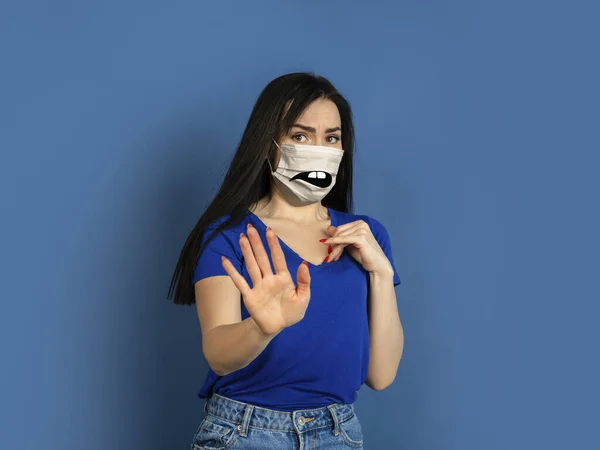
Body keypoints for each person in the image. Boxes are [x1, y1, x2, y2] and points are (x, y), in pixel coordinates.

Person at [168, 72, 404, 449]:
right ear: (268, 143)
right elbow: (218, 355)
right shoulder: (229, 236)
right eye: (300, 135)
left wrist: (381, 273)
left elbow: (382, 375)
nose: (319, 149)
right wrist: (261, 328)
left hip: (337, 434)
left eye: (331, 137)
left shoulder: (366, 237)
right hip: (245, 432)